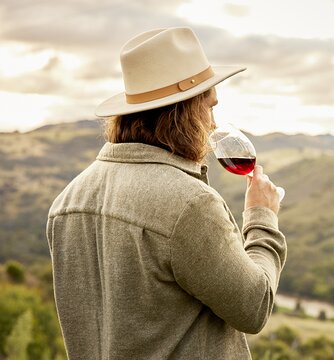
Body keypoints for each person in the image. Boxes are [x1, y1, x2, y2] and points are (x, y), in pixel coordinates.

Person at [46, 27, 286, 359]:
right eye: (210, 108)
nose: (214, 124)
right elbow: (253, 306)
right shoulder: (190, 204)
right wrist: (262, 218)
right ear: (185, 112)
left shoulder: (67, 202)